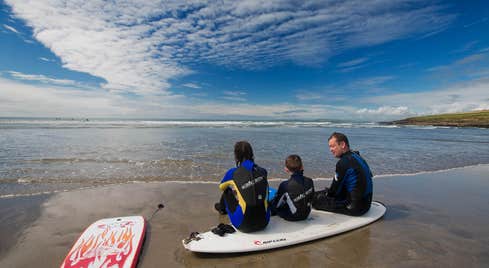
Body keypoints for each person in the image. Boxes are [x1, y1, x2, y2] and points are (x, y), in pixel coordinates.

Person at [214, 141, 270, 232]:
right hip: (264, 222)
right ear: (252, 154)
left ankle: (221, 208)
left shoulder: (232, 172)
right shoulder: (263, 171)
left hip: (243, 225)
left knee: (227, 190)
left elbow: (221, 187)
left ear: (236, 156)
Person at [312, 132, 373, 216]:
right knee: (322, 193)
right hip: (367, 202)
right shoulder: (357, 156)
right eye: (330, 147)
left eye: (333, 146)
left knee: (315, 199)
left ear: (343, 144)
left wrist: (324, 196)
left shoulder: (343, 162)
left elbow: (334, 192)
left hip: (355, 208)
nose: (331, 150)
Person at [270, 154, 314, 221]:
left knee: (274, 203)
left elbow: (277, 205)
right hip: (306, 214)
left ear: (286, 169)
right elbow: (311, 198)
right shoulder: (310, 181)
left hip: (293, 216)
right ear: (302, 167)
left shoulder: (285, 185)